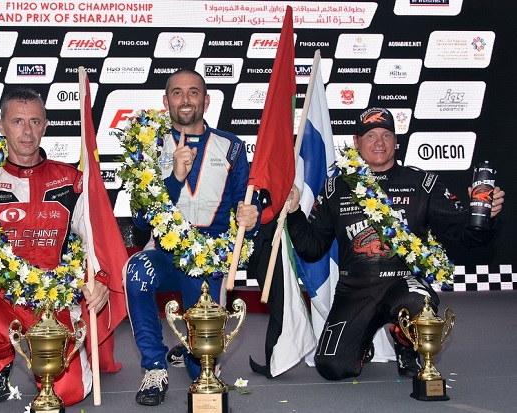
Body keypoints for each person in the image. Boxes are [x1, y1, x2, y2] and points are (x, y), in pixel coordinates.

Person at [0, 87, 126, 405]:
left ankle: (50, 368)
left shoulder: (71, 180)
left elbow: (96, 239)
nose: (27, 131)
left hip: (55, 301)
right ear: (1, 126)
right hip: (1, 297)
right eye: (17, 122)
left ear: (45, 125)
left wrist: (100, 279)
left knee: (68, 393)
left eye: (35, 121)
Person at [286, 107, 505, 381]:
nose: (379, 142)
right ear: (356, 142)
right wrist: (294, 213)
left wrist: (484, 216)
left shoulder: (423, 183)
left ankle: (404, 340)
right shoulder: (336, 187)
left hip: (403, 285)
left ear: (396, 141)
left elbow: (467, 236)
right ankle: (360, 343)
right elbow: (312, 249)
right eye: (371, 135)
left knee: (418, 303)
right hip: (355, 290)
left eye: (386, 135)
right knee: (332, 367)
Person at [123, 69, 261, 406]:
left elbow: (245, 202)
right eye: (177, 93)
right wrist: (174, 177)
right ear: (166, 100)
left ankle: (188, 353)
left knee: (200, 363)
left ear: (206, 100)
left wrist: (251, 217)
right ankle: (154, 367)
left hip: (210, 258)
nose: (185, 100)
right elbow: (141, 217)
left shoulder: (231, 146)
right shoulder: (150, 145)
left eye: (194, 92)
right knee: (137, 271)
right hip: (165, 255)